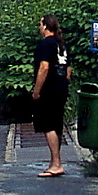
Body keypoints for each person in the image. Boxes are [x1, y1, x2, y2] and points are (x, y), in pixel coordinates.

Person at [31, 14, 72, 177]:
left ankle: (56, 163)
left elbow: (44, 68)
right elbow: (69, 70)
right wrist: (63, 83)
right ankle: (55, 162)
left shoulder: (45, 44)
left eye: (40, 25)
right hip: (61, 88)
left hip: (48, 89)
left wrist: (37, 90)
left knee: (47, 125)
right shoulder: (61, 44)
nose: (40, 28)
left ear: (46, 27)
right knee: (57, 124)